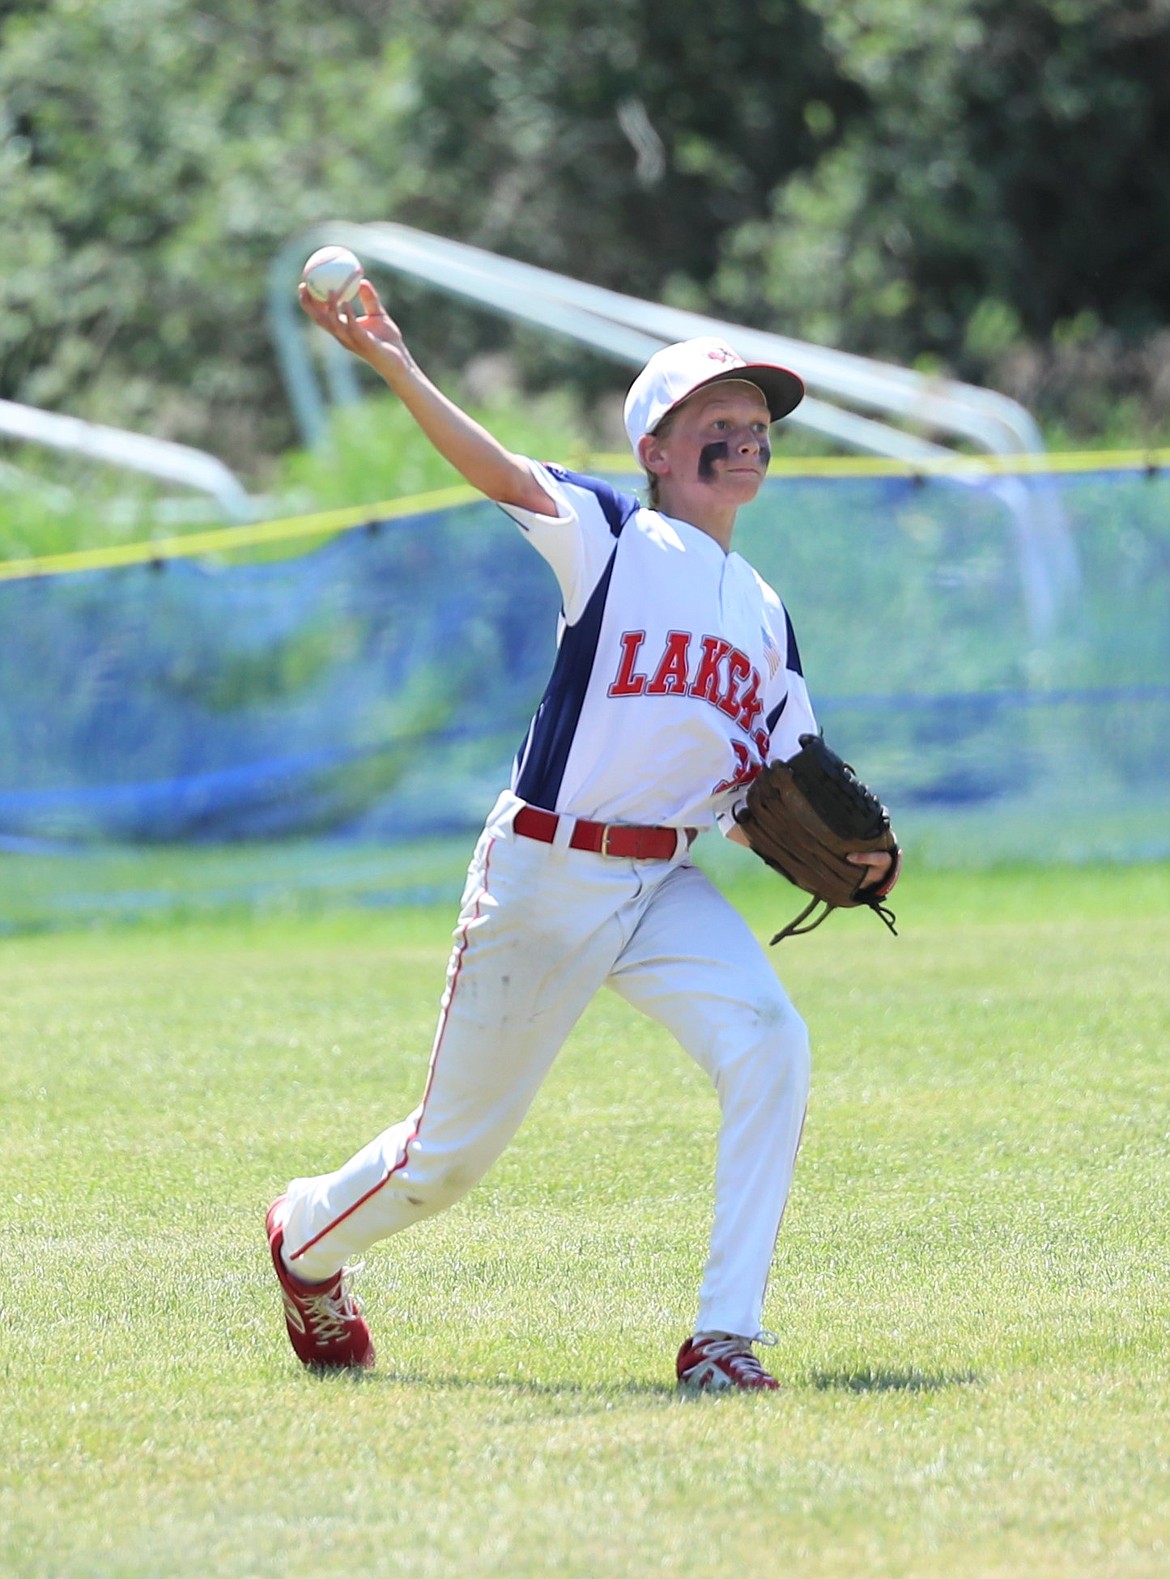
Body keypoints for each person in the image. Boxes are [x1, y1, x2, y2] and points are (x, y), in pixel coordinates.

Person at [266, 276, 899, 1392]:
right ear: (656, 449)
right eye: (718, 423)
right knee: (448, 1161)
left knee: (771, 1042)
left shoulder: (764, 612)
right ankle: (306, 1243)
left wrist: (850, 856)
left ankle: (721, 1339)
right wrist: (401, 370)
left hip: (664, 886)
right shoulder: (611, 536)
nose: (745, 438)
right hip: (547, 876)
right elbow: (500, 474)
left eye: (756, 425)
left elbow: (774, 790)